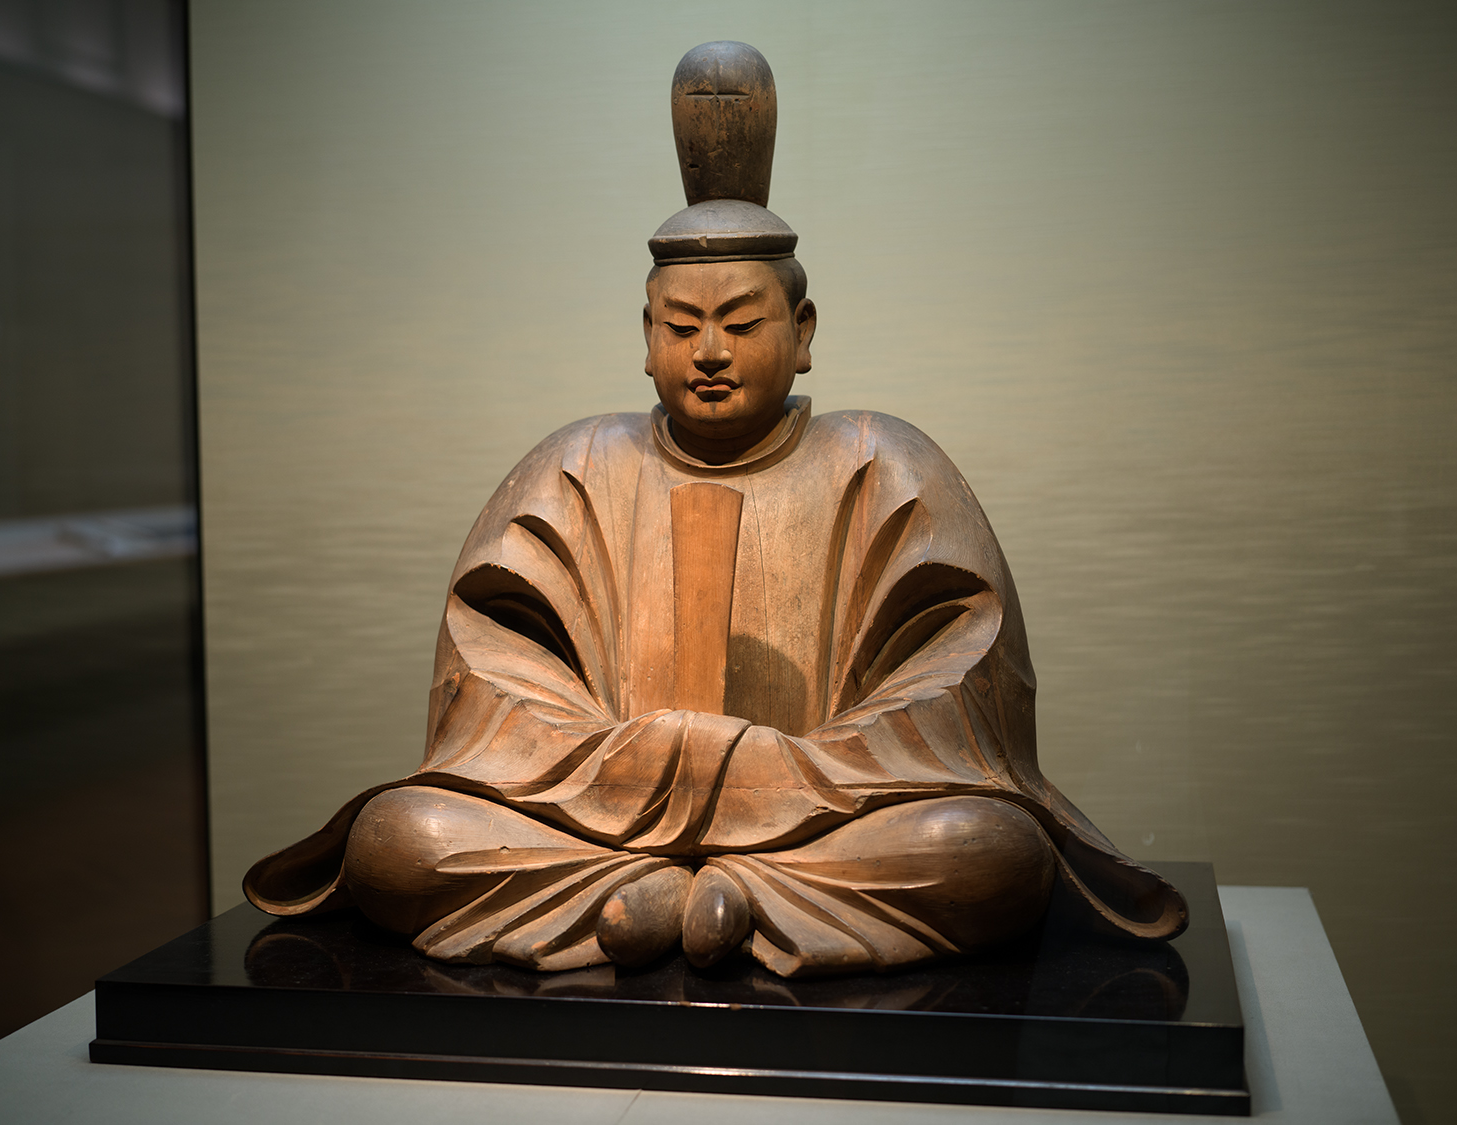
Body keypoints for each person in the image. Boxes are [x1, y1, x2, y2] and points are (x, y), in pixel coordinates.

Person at [244, 42, 1186, 979]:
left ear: (803, 332)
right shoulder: (573, 465)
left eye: (740, 322)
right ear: (644, 334)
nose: (708, 352)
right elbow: (489, 685)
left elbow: (958, 688)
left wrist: (755, 770)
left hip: (825, 826)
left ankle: (705, 897)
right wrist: (661, 763)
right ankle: (681, 897)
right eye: (681, 324)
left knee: (982, 851)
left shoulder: (883, 462)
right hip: (596, 827)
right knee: (399, 838)